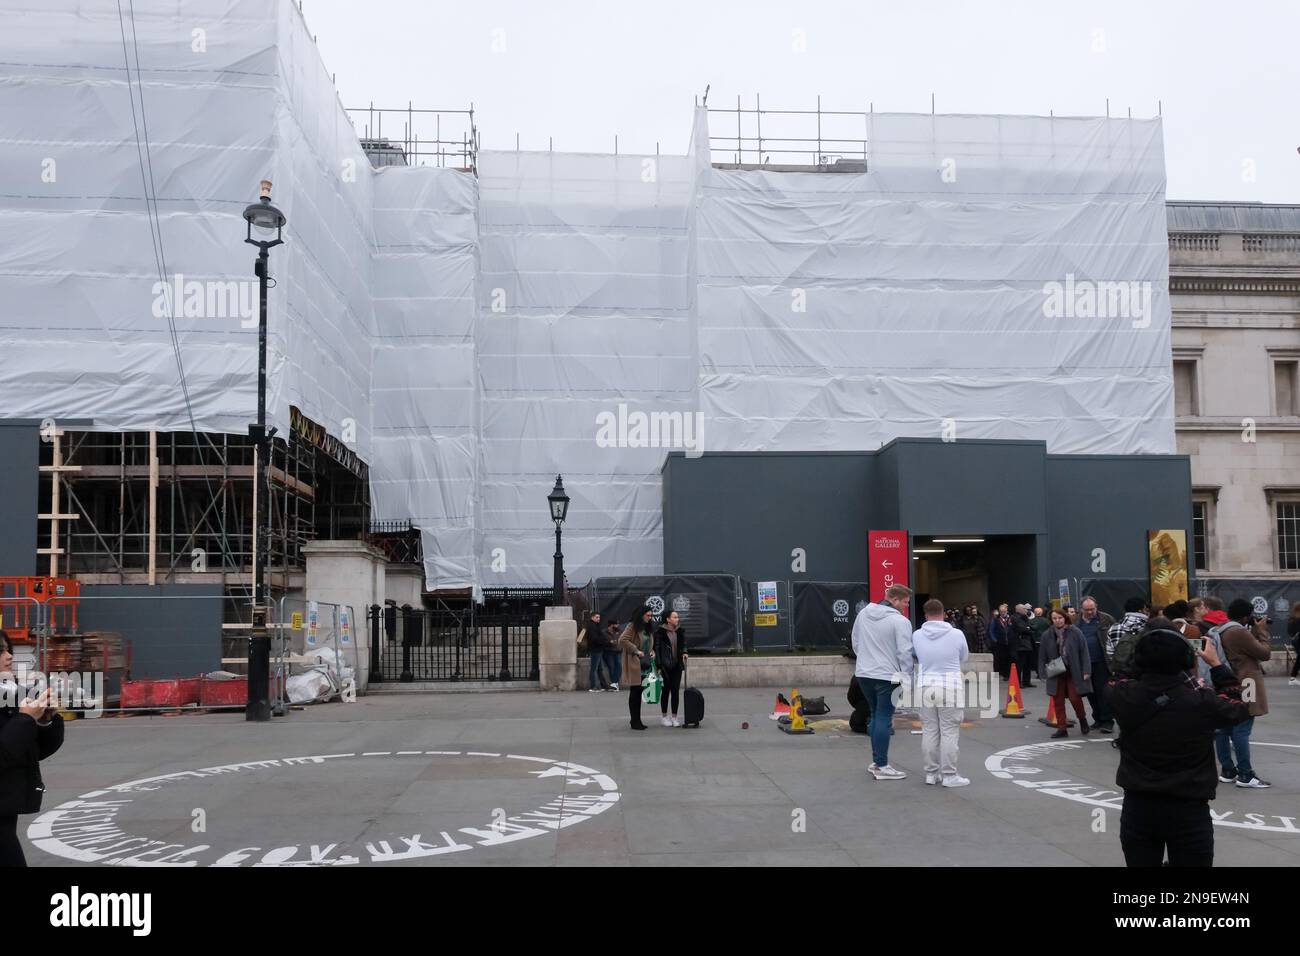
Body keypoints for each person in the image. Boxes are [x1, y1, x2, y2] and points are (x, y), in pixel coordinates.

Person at [1108, 621, 1251, 866]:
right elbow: (1238, 706)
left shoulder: (1123, 695)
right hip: (1188, 807)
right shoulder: (1201, 701)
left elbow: (1118, 678)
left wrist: (1139, 656)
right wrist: (1216, 665)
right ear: (1186, 660)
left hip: (1139, 805)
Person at [1, 634, 66, 867]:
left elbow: (29, 752)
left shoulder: (10, 694)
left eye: (8, 650)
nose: (9, 657)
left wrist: (45, 721)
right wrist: (26, 719)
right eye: (1, 651)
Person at [851, 584, 916, 780]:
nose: (905, 607)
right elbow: (904, 652)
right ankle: (881, 764)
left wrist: (865, 660)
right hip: (887, 676)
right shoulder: (900, 621)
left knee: (875, 714)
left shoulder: (863, 614)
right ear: (895, 600)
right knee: (884, 718)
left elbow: (856, 641)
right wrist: (908, 677)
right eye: (904, 602)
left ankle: (877, 761)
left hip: (864, 673)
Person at [1214, 599, 1272, 788]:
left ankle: (1228, 770)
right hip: (1246, 682)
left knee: (1223, 727)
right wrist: (1262, 631)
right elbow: (1264, 653)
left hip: (1226, 683)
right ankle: (1245, 774)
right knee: (1242, 726)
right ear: (1246, 616)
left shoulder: (1220, 629)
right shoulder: (1238, 632)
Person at [913, 599, 971, 787]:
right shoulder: (956, 634)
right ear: (943, 613)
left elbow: (914, 655)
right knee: (949, 731)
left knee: (929, 730)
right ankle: (949, 775)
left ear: (925, 614)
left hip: (924, 686)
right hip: (949, 686)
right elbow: (964, 656)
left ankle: (931, 773)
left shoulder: (917, 635)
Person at [1039, 607, 1092, 738]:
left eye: (1060, 618)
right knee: (1058, 701)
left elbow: (1084, 652)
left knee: (1075, 698)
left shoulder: (1075, 632)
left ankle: (1082, 719)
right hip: (1056, 671)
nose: (1058, 621)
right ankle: (1062, 728)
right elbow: (1042, 655)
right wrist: (1042, 672)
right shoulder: (1047, 635)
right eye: (1054, 618)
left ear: (1065, 618)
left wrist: (1086, 670)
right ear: (1051, 620)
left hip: (1073, 670)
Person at [1077, 596, 1116, 733]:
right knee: (1089, 692)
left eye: (1092, 609)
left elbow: (1115, 638)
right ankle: (1098, 718)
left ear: (1096, 607)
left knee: (1103, 692)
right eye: (1086, 610)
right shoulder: (1076, 621)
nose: (1089, 612)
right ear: (1081, 609)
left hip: (1101, 662)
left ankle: (1107, 721)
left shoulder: (1106, 619)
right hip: (1084, 664)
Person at [619, 606, 655, 730]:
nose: (650, 618)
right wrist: (636, 650)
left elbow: (648, 644)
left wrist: (652, 652)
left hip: (645, 663)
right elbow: (622, 640)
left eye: (651, 616)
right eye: (648, 615)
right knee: (635, 692)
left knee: (639, 692)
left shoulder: (647, 628)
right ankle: (635, 720)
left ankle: (637, 720)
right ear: (641, 615)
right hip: (635, 662)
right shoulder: (633, 626)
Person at [653, 610, 687, 727]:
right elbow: (656, 649)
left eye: (677, 617)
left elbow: (683, 645)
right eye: (675, 617)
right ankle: (664, 716)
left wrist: (685, 652)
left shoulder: (680, 631)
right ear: (668, 619)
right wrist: (659, 665)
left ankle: (674, 717)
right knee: (666, 691)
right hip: (665, 666)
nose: (677, 619)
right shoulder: (660, 632)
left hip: (677, 665)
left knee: (675, 691)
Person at [1106, 596, 1151, 678]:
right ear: (1140, 610)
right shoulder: (1148, 627)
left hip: (1121, 676)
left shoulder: (1114, 628)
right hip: (1143, 675)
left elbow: (1110, 653)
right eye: (1145, 609)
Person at [585, 610, 612, 693]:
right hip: (595, 649)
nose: (598, 618)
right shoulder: (592, 626)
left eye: (599, 617)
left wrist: (605, 642)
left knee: (599, 668)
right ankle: (593, 686)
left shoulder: (595, 625)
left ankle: (603, 686)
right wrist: (606, 642)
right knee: (594, 668)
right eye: (596, 617)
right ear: (592, 617)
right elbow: (595, 638)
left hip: (598, 649)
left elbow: (598, 637)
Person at [1010, 604, 1037, 688]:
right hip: (1020, 644)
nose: (1026, 610)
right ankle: (1018, 682)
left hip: (1028, 643)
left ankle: (1027, 681)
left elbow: (1033, 627)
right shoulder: (1014, 617)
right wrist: (1028, 628)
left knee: (1027, 664)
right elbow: (1021, 628)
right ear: (1019, 609)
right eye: (1024, 609)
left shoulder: (1025, 617)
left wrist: (1029, 628)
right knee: (1020, 664)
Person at [989, 603, 1012, 681]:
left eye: (1004, 611)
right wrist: (995, 640)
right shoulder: (995, 620)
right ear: (999, 612)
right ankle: (998, 673)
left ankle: (1007, 675)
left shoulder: (1010, 619)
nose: (1003, 613)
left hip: (1009, 642)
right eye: (1002, 612)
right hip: (999, 643)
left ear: (1007, 611)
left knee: (1008, 659)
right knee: (999, 659)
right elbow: (991, 631)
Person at [601, 618, 622, 692]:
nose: (618, 625)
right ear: (611, 625)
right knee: (611, 667)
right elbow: (602, 642)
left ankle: (614, 683)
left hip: (618, 651)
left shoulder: (619, 631)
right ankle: (615, 684)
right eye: (616, 624)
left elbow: (621, 640)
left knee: (619, 666)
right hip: (608, 652)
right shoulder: (604, 632)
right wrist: (609, 642)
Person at [1288, 601, 1300, 687]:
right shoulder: (1296, 619)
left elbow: (1289, 631)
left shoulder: (1292, 618)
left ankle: (1292, 677)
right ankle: (1292, 677)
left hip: (1295, 640)